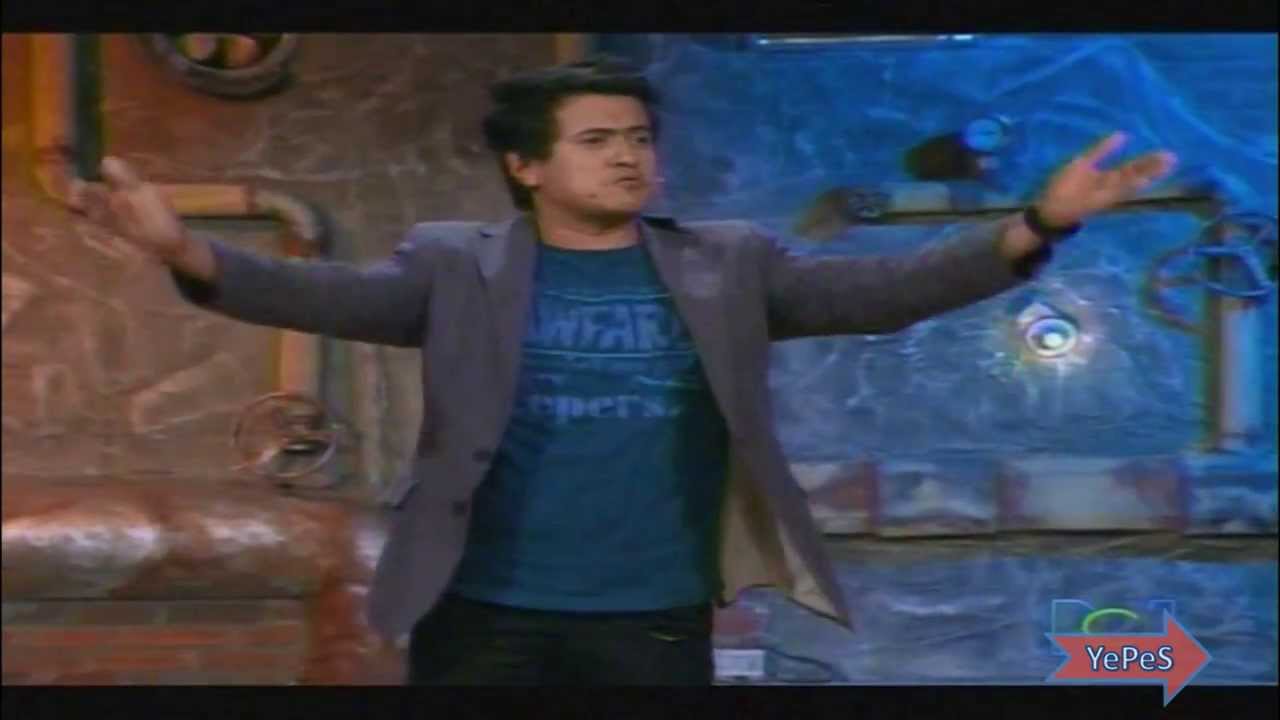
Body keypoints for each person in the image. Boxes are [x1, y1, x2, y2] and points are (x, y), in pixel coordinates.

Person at [82, 56, 1176, 685]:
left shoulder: (727, 264)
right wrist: (186, 250)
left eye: (639, 138)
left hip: (650, 615)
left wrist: (1038, 224)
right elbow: (323, 297)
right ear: (526, 164)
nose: (628, 155)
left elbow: (885, 291)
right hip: (481, 610)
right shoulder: (455, 265)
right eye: (598, 139)